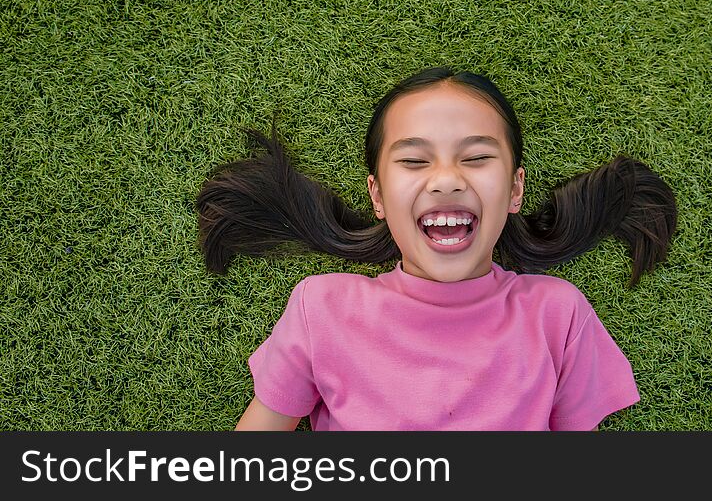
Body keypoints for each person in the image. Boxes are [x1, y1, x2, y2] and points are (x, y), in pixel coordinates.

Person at [195, 67, 677, 430]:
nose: (447, 179)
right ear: (378, 195)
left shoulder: (557, 314)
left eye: (476, 157)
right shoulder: (321, 309)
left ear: (514, 189)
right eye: (414, 160)